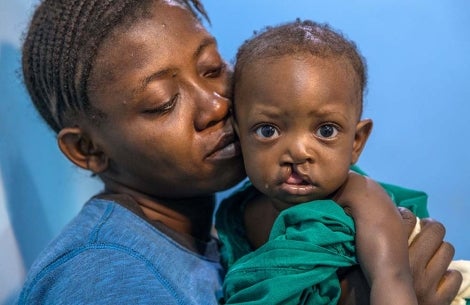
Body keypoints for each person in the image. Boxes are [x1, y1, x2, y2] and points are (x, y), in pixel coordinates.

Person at [17, 0, 461, 304]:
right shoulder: (102, 276)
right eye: (163, 102)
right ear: (88, 149)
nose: (215, 105)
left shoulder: (234, 225)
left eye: (213, 69)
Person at [216, 19, 466, 305]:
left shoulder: (363, 200)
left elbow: (393, 278)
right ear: (239, 135)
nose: (298, 152)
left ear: (356, 142)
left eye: (325, 131)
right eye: (267, 130)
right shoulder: (236, 215)